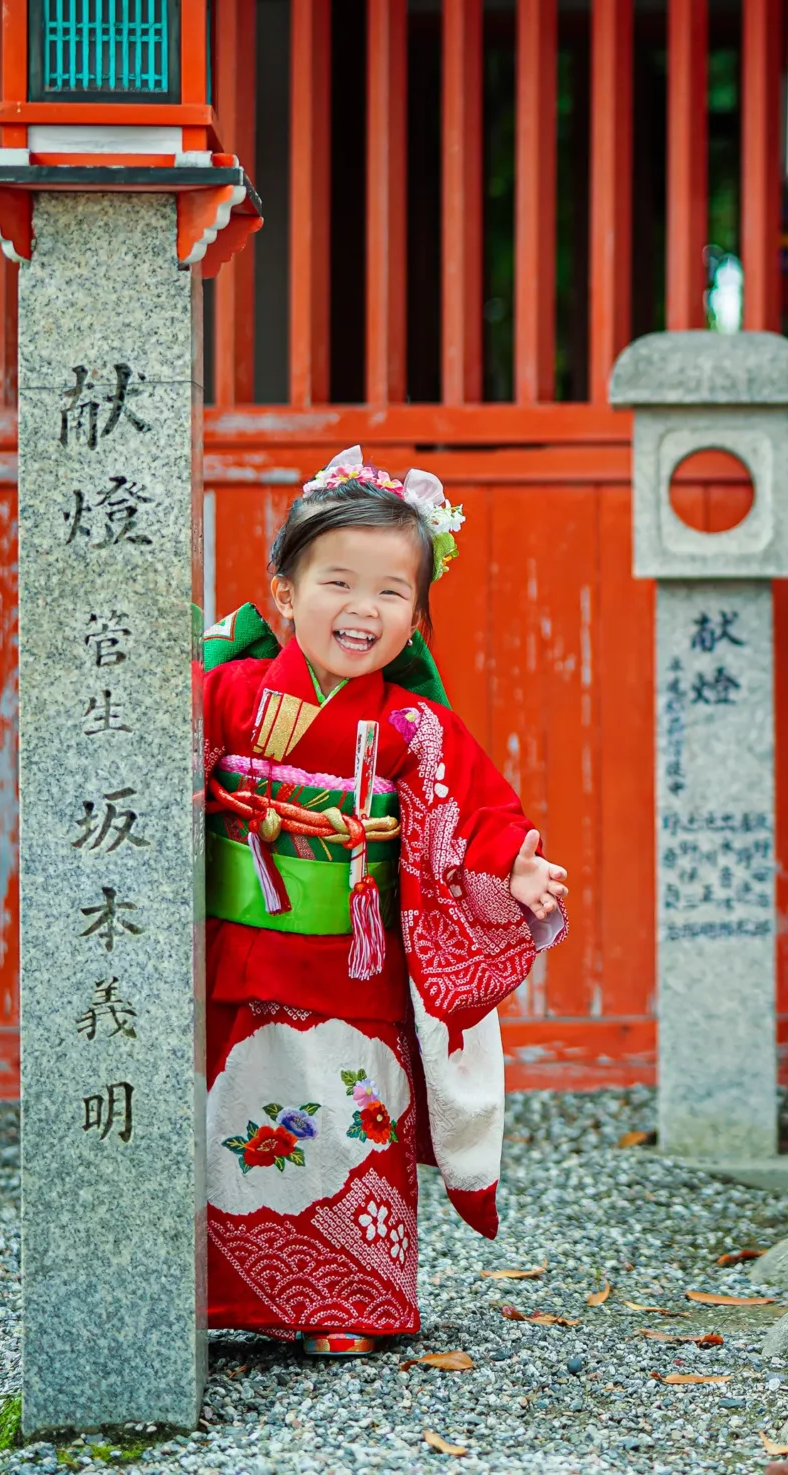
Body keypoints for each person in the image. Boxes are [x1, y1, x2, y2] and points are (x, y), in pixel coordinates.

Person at [198, 446, 569, 1355]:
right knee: (219, 1112)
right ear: (284, 590)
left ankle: (349, 1303)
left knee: (353, 1115)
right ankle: (217, 1298)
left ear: (417, 613)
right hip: (235, 946)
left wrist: (508, 866)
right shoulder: (229, 689)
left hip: (352, 960)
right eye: (337, 582)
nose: (363, 610)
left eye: (391, 593)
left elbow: (471, 808)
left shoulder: (412, 725)